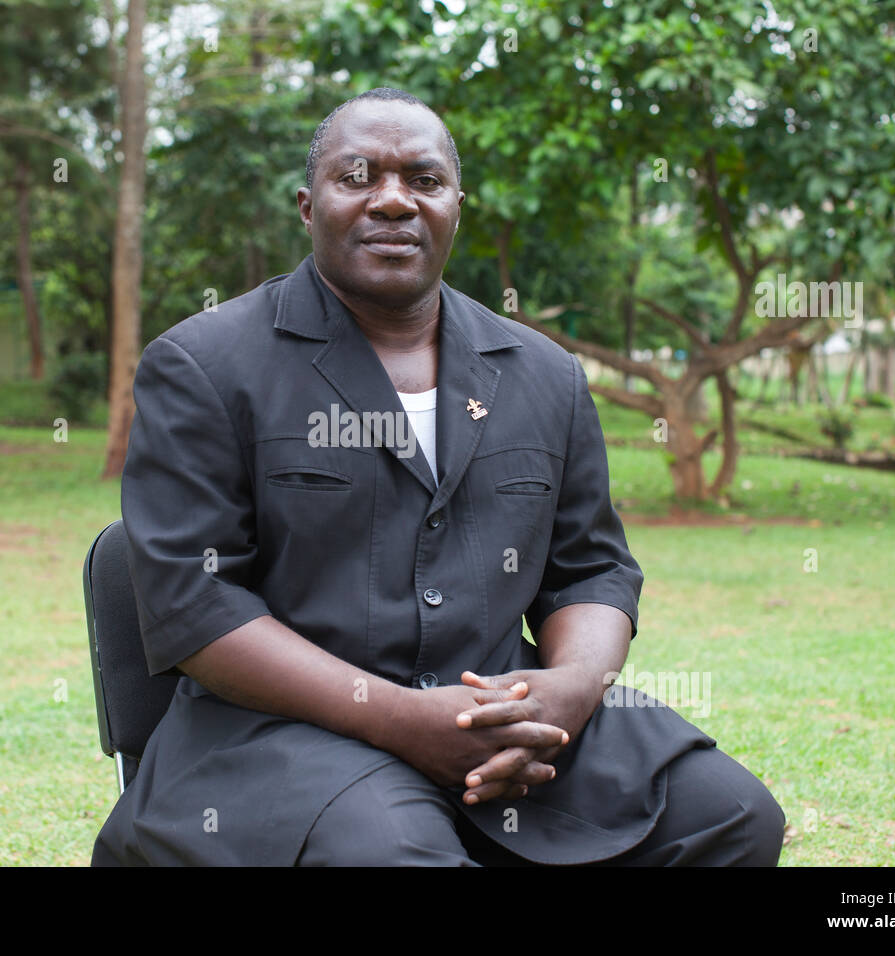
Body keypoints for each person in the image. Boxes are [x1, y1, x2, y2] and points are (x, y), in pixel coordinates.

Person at [91, 87, 785, 866]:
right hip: (280, 737)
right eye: (357, 177)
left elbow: (590, 569)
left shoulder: (544, 376)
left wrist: (569, 692)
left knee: (731, 815)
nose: (393, 201)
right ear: (306, 204)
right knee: (395, 852)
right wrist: (399, 719)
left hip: (502, 709)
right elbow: (196, 603)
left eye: (422, 180)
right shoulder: (206, 366)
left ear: (457, 204)